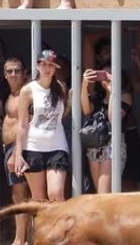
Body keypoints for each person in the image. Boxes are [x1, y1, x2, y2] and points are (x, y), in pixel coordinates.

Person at [14, 50, 70, 203]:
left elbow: (63, 115)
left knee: (56, 193)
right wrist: (18, 154)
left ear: (55, 68)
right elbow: (22, 124)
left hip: (57, 146)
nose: (47, 68)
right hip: (33, 147)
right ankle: (40, 228)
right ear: (38, 66)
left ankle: (62, 227)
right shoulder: (28, 90)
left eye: (50, 65)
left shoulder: (61, 88)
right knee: (38, 199)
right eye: (43, 64)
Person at [80, 65, 131, 194]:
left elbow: (113, 118)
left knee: (104, 192)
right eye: (103, 74)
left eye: (109, 74)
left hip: (112, 143)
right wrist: (84, 85)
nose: (106, 77)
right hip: (94, 145)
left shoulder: (124, 96)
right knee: (99, 193)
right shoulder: (97, 97)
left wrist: (112, 91)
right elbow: (86, 110)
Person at [0, 57, 30, 245]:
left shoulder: (26, 94)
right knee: (17, 196)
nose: (13, 75)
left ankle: (21, 241)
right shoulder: (10, 95)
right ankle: (21, 240)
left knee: (22, 196)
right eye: (9, 71)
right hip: (9, 149)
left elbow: (27, 124)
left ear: (24, 73)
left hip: (18, 150)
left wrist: (17, 153)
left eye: (17, 71)